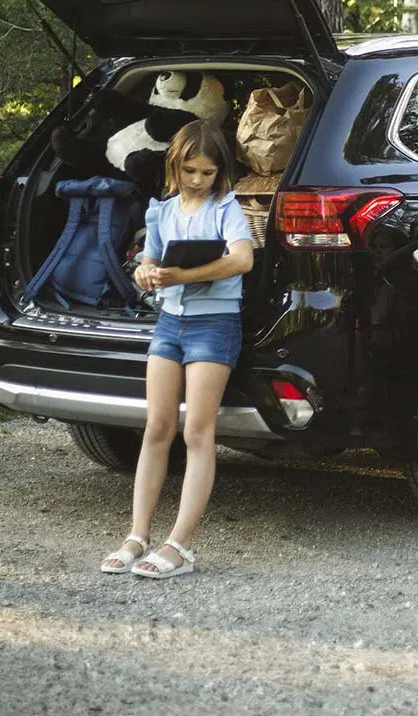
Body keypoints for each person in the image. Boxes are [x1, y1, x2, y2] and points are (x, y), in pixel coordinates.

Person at [99, 121, 254, 579]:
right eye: (190, 170)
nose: (198, 180)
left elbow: (243, 259)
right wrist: (147, 273)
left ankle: (179, 547)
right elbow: (149, 262)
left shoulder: (227, 207)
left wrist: (183, 276)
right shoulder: (161, 212)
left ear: (219, 172)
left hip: (215, 324)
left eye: (207, 172)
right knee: (157, 427)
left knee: (198, 434)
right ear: (175, 165)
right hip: (169, 323)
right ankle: (136, 536)